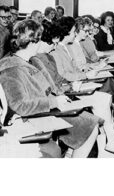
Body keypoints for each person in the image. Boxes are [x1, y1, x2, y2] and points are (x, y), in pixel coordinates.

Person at [0, 19, 101, 158]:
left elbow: (52, 87)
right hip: (33, 117)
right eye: (40, 39)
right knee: (90, 128)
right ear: (32, 42)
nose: (43, 43)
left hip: (48, 110)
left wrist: (64, 92)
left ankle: (70, 155)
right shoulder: (11, 69)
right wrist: (54, 102)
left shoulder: (33, 61)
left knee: (91, 125)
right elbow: (18, 105)